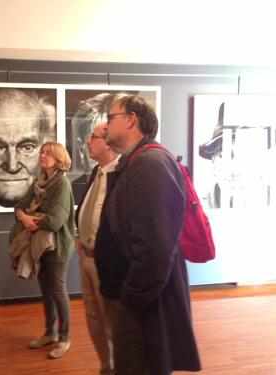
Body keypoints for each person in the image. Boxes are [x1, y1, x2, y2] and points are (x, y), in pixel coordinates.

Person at [95, 94, 201, 374]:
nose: (105, 127)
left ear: (131, 119)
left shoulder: (149, 164)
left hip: (140, 303)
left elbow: (154, 247)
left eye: (110, 117)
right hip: (132, 296)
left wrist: (132, 299)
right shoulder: (136, 162)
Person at [14, 142, 76, 359]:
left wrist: (32, 220)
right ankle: (50, 333)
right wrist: (24, 217)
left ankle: (64, 337)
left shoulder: (62, 184)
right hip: (40, 245)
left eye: (48, 153)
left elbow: (56, 221)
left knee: (58, 291)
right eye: (42, 152)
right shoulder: (39, 181)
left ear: (59, 158)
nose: (43, 155)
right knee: (46, 291)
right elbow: (19, 206)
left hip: (57, 245)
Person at [75, 123, 119, 374]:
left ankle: (117, 367)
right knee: (93, 318)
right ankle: (106, 366)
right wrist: (79, 233)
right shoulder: (97, 171)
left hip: (106, 262)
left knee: (111, 320)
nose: (88, 142)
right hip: (86, 257)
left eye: (92, 137)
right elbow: (88, 208)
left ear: (108, 142)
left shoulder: (121, 175)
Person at [69, 92, 123, 203]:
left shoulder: (127, 182)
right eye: (90, 137)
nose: (89, 142)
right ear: (81, 148)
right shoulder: (73, 189)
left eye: (94, 137)